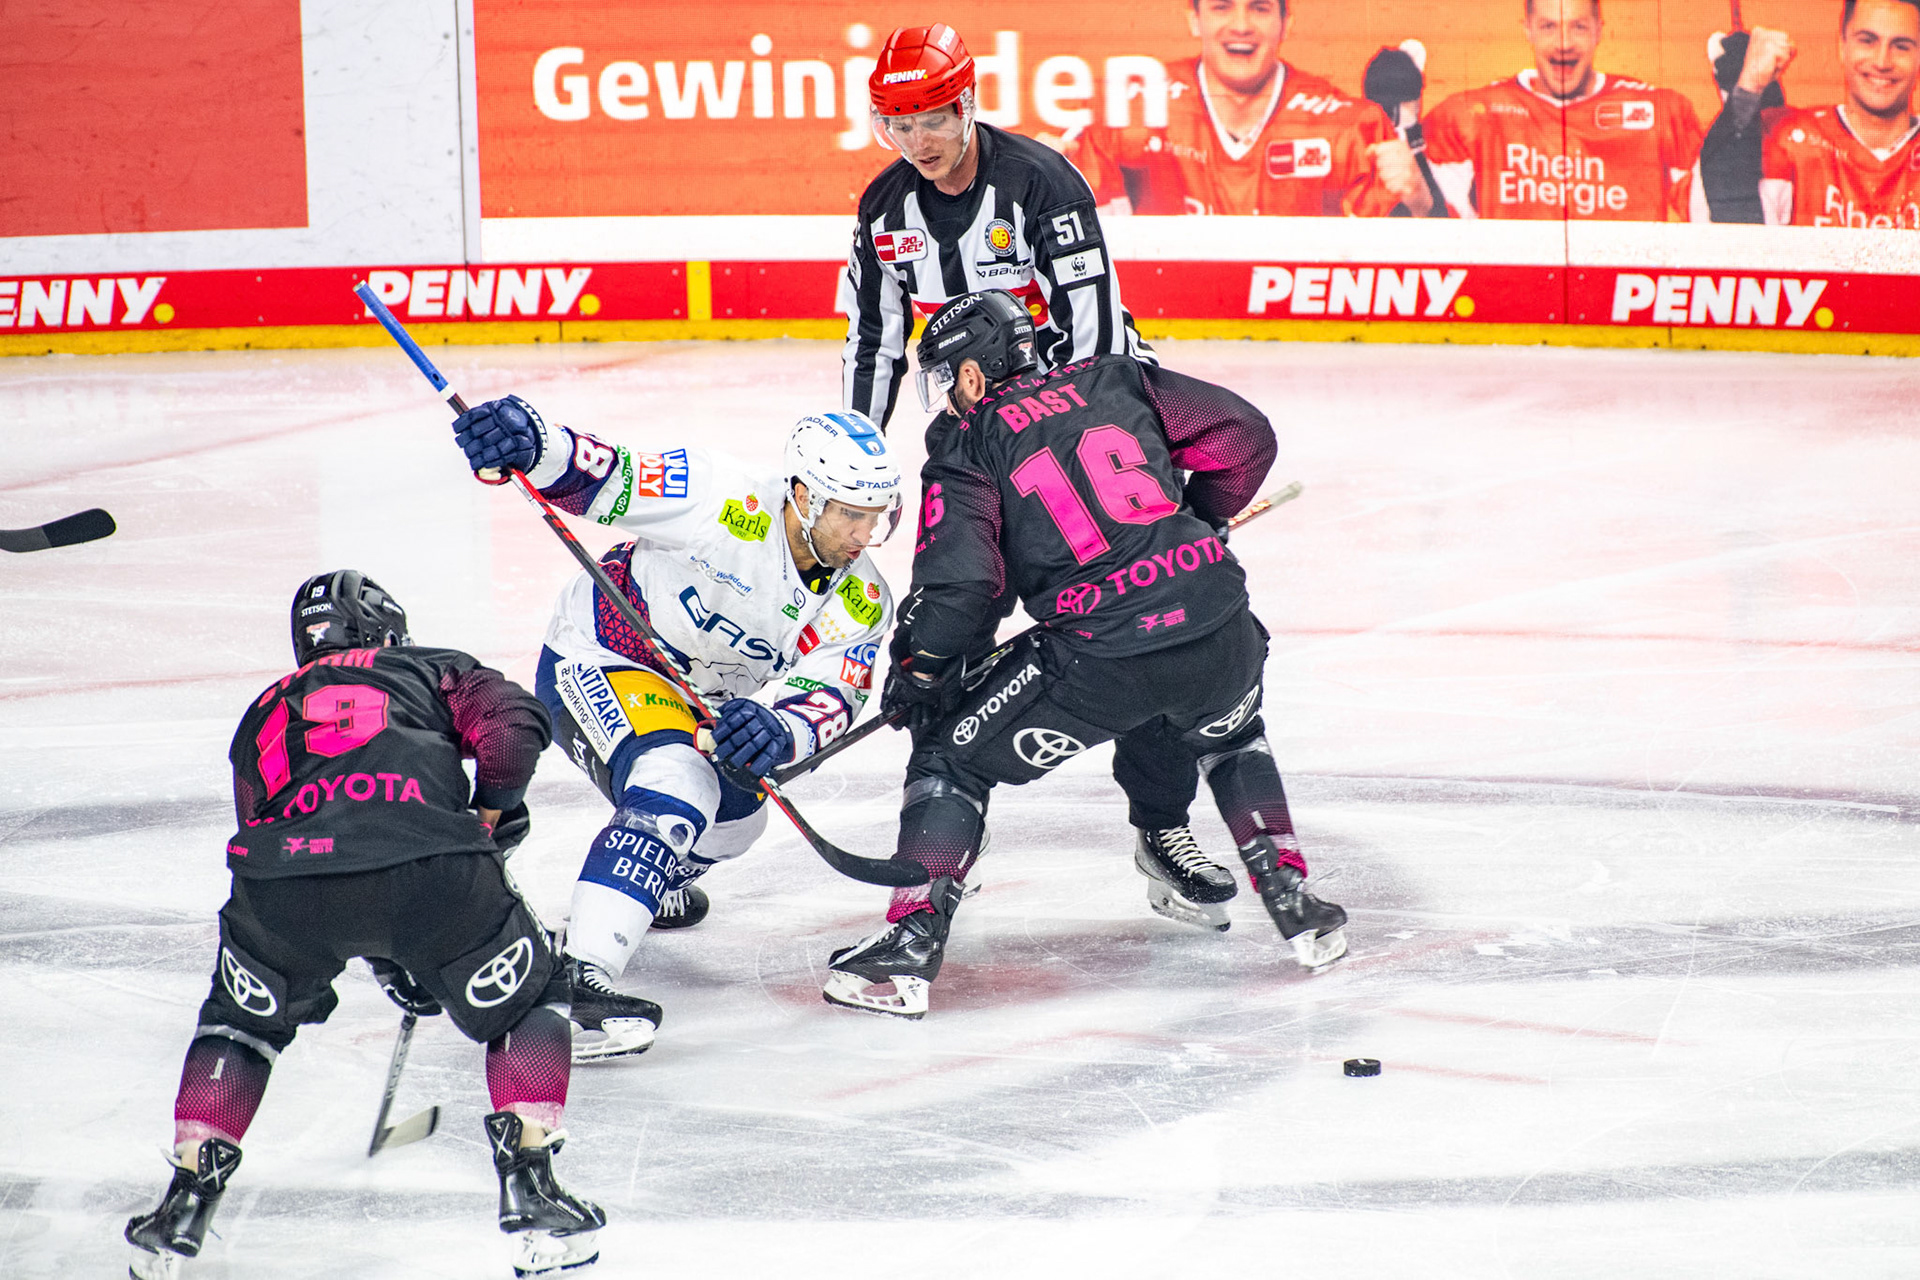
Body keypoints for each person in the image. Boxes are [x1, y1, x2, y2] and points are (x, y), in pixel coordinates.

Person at [820, 291, 1348, 1021]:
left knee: (951, 756)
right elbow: (1242, 435)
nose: (946, 395)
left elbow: (966, 587)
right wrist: (1202, 518)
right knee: (1230, 733)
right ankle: (1293, 899)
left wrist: (924, 671)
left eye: (947, 377)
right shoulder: (1116, 378)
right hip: (1221, 626)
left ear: (973, 375)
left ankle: (910, 942)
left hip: (1102, 654)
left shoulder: (966, 442)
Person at [125, 571, 603, 1280]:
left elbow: (265, 826)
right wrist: (489, 815)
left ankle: (185, 1202)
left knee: (239, 1028)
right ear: (387, 630)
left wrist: (386, 952)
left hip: (280, 882)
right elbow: (514, 728)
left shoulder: (263, 709)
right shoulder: (430, 666)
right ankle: (531, 1187)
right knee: (534, 999)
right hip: (430, 865)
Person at [448, 397, 901, 1057]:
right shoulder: (718, 495)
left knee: (740, 819)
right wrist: (531, 441)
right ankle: (573, 980)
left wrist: (778, 728)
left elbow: (834, 689)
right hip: (602, 654)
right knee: (678, 779)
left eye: (876, 517)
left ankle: (645, 883)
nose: (864, 536)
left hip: (695, 699)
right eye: (850, 515)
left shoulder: (862, 599)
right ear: (803, 495)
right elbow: (605, 475)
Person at [840, 22, 1154, 432]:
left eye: (933, 121)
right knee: (945, 458)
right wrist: (858, 446)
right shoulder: (883, 210)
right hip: (988, 411)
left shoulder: (1042, 183)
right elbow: (873, 345)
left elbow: (1096, 340)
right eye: (902, 127)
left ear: (965, 105)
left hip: (1099, 394)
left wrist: (1066, 442)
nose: (918, 144)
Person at [1063, 0, 1432, 217]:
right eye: (1222, 6)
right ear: (1194, 19)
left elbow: (1398, 274)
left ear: (1285, 23)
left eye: (1259, 7)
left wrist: (1419, 203)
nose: (1241, 25)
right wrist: (1049, 174)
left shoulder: (1350, 127)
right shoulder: (1128, 112)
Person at [1422, 0, 1704, 221]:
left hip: (1625, 292)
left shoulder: (1659, 112)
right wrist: (1408, 129)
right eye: (1548, 27)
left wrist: (1739, 103)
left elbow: (1714, 218)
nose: (1564, 43)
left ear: (1598, 31)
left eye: (1578, 27)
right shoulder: (1472, 115)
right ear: (1528, 30)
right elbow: (1439, 235)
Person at [1696, 0, 1920, 227]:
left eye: (1901, 46)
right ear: (1842, 47)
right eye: (1867, 41)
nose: (1882, 62)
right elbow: (1732, 234)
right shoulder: (1786, 138)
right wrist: (1749, 87)